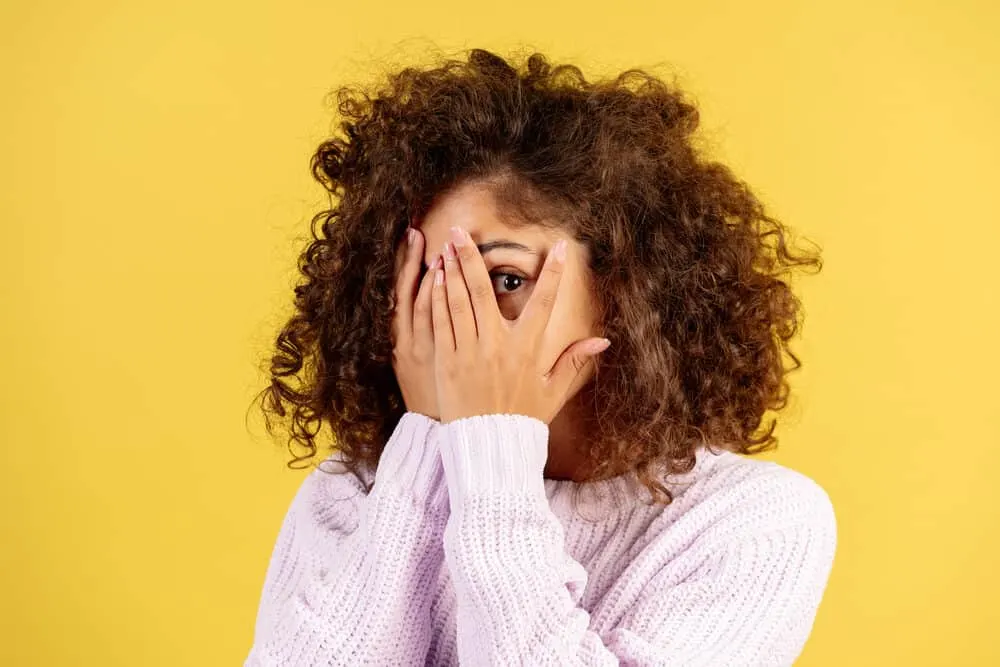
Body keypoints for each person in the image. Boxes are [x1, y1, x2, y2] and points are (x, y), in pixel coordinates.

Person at [244, 47, 836, 666]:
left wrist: (496, 454)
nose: (452, 319)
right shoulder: (359, 487)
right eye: (426, 282)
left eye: (502, 280)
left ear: (625, 291)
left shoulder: (756, 522)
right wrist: (422, 449)